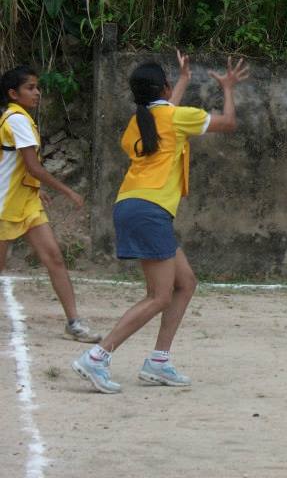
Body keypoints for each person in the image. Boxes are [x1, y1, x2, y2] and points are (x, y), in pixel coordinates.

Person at [72, 52, 248, 393]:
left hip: (134, 205)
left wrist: (181, 81)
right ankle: (96, 357)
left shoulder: (138, 123)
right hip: (150, 210)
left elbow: (163, 116)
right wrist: (227, 88)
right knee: (159, 296)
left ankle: (159, 362)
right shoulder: (175, 117)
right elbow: (228, 123)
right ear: (164, 88)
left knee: (186, 283)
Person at [0, 65, 100, 342]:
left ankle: (73, 322)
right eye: (30, 88)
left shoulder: (18, 118)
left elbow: (21, 167)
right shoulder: (16, 119)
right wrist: (67, 191)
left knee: (54, 258)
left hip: (25, 201)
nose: (37, 93)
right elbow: (33, 167)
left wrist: (36, 190)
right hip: (5, 204)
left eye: (37, 87)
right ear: (13, 93)